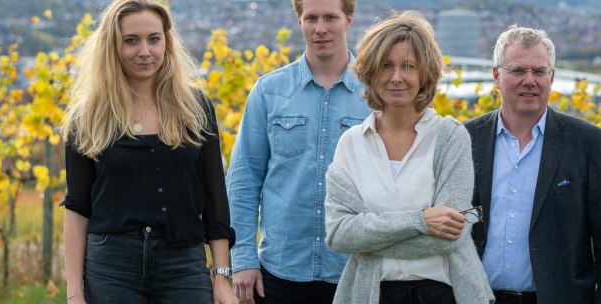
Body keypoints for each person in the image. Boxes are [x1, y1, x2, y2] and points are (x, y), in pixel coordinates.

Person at [60, 0, 236, 303]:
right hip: (111, 268)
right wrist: (74, 294)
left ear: (167, 42)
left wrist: (222, 277)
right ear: (113, 46)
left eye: (154, 39)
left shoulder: (194, 108)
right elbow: (78, 208)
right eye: (131, 41)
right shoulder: (88, 116)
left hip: (183, 265)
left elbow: (215, 198)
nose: (145, 51)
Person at [323, 11, 494, 304]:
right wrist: (421, 220)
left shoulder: (450, 137)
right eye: (386, 66)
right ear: (370, 73)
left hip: (444, 294)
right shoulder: (351, 144)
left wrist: (370, 235)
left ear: (424, 74)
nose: (396, 77)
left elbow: (449, 235)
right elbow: (339, 234)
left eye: (408, 66)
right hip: (373, 292)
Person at [464, 25, 601, 303]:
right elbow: (455, 223)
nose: (530, 80)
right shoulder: (465, 138)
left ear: (551, 77)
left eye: (539, 71)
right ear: (496, 76)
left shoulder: (587, 142)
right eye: (517, 70)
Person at [226, 0, 372, 302]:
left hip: (354, 271)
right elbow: (243, 182)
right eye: (311, 18)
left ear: (348, 19)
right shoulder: (269, 92)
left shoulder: (374, 95)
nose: (320, 28)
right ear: (299, 21)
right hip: (280, 273)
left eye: (330, 18)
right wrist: (243, 260)